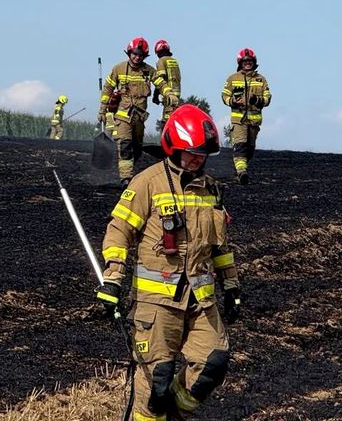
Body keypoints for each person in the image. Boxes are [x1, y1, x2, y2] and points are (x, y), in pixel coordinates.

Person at [96, 104, 242, 420]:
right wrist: (112, 279)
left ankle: (173, 416)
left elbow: (220, 246)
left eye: (203, 153)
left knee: (213, 363)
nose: (197, 158)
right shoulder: (147, 182)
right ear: (172, 146)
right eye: (191, 151)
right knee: (156, 383)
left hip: (201, 301)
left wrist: (231, 285)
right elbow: (119, 231)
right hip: (157, 304)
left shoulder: (212, 190)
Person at [100, 37, 177, 186]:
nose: (137, 57)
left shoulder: (149, 71)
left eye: (140, 55)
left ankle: (128, 170)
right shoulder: (119, 69)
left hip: (139, 118)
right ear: (129, 53)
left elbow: (161, 83)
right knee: (125, 145)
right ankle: (126, 179)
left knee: (136, 148)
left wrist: (169, 93)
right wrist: (103, 109)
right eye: (134, 54)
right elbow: (108, 88)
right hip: (122, 117)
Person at [220, 48, 271, 185]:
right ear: (240, 63)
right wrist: (232, 101)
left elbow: (267, 98)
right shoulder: (232, 79)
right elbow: (224, 96)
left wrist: (258, 100)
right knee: (240, 146)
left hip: (254, 122)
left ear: (254, 62)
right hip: (239, 120)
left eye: (250, 61)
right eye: (245, 61)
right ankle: (242, 172)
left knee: (249, 150)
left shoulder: (261, 79)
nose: (247, 63)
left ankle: (239, 171)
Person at [154, 39, 183, 125]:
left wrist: (155, 95)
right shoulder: (174, 61)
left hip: (168, 96)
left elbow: (160, 79)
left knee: (167, 123)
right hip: (177, 95)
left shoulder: (161, 61)